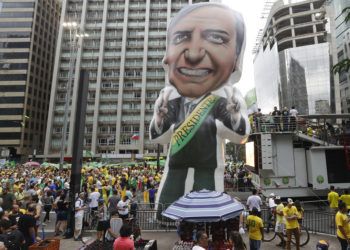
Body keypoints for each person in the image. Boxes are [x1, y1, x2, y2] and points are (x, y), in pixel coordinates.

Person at [150, 2, 250, 209]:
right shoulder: (170, 97)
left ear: (236, 56)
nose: (193, 54)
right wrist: (159, 119)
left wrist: (235, 116)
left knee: (208, 200)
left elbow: (240, 133)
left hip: (209, 162)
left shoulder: (227, 96)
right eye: (180, 38)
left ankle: (206, 221)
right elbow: (159, 135)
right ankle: (168, 217)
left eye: (216, 38)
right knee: (170, 197)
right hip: (176, 162)